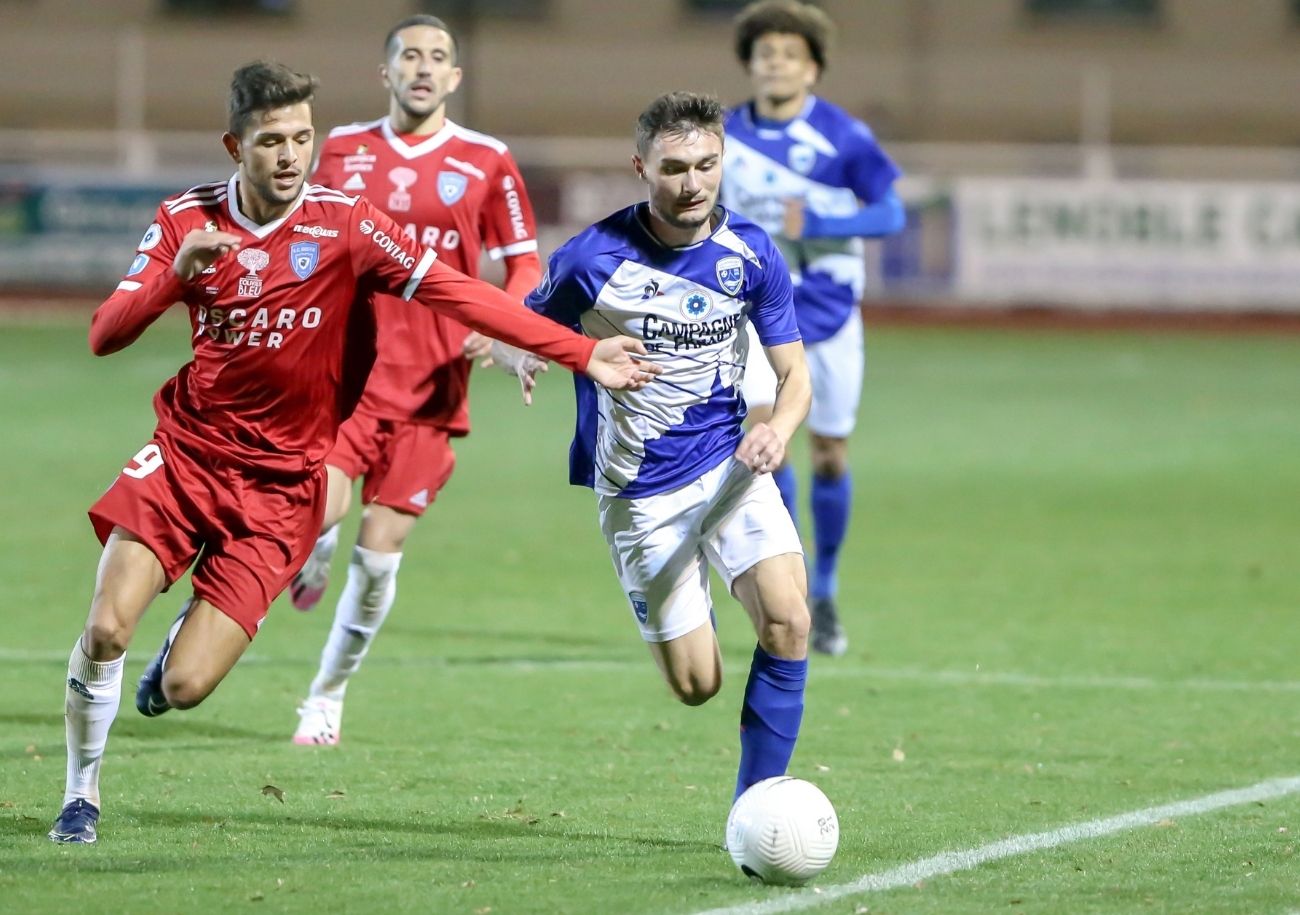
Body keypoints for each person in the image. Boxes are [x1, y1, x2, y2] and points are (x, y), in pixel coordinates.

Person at [47, 61, 657, 845]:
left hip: (284, 488)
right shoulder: (186, 219)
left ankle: (170, 663)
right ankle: (80, 795)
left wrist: (581, 352)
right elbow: (105, 334)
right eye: (271, 141)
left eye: (303, 137)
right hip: (188, 456)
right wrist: (174, 277)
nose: (291, 155)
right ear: (236, 145)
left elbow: (455, 289)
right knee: (104, 629)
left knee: (188, 685)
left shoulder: (346, 224)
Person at [525, 91, 814, 804]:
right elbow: (523, 329)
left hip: (728, 464)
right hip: (639, 493)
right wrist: (550, 354)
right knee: (696, 685)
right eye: (675, 167)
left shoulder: (750, 252)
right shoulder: (591, 259)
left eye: (707, 165)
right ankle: (692, 607)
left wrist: (775, 428)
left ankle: (758, 806)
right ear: (641, 167)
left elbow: (795, 374)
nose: (693, 184)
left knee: (788, 619)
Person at [285, 15, 546, 747]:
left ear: (455, 78)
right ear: (386, 72)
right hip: (350, 378)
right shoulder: (340, 151)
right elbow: (301, 240)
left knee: (375, 563)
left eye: (438, 58)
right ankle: (313, 548)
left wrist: (503, 320)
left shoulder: (487, 160)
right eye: (409, 56)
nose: (423, 68)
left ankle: (326, 696)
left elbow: (524, 262)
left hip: (435, 390)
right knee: (313, 518)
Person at [721, 0, 906, 656]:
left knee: (828, 452)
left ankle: (824, 587)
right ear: (748, 64)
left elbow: (890, 214)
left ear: (813, 69)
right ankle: (789, 580)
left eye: (789, 54)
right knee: (766, 442)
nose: (776, 63)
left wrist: (823, 223)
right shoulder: (720, 137)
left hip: (828, 314)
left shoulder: (843, 135)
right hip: (751, 316)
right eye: (765, 53)